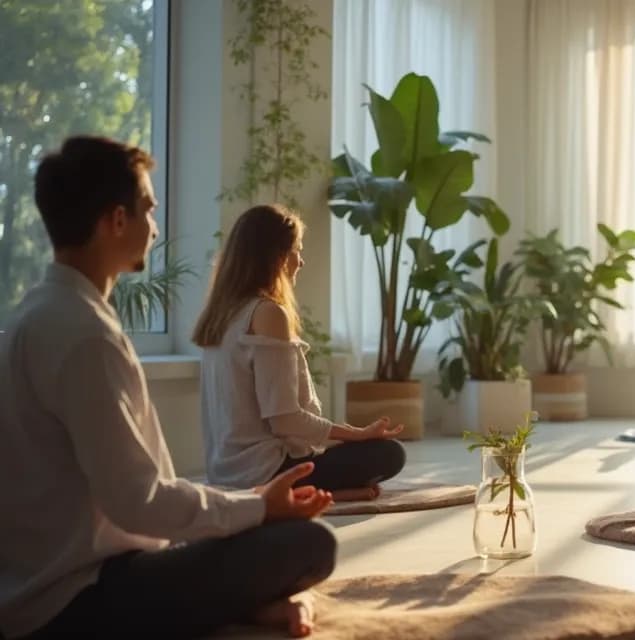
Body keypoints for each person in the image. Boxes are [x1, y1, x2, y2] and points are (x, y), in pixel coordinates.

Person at [0, 136, 336, 639]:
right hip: (76, 600)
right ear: (116, 220)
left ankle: (240, 604)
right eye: (148, 210)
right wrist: (259, 505)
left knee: (248, 533)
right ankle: (238, 605)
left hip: (47, 581)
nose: (154, 226)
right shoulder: (84, 335)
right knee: (311, 545)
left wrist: (244, 508)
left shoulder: (33, 315)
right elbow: (139, 503)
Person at [194, 204, 406, 502]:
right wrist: (359, 434)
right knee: (389, 453)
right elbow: (285, 420)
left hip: (225, 472)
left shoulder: (222, 314)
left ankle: (320, 490)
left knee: (349, 449)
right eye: (296, 250)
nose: (301, 261)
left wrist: (345, 434)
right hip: (268, 471)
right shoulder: (267, 313)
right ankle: (300, 493)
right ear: (276, 257)